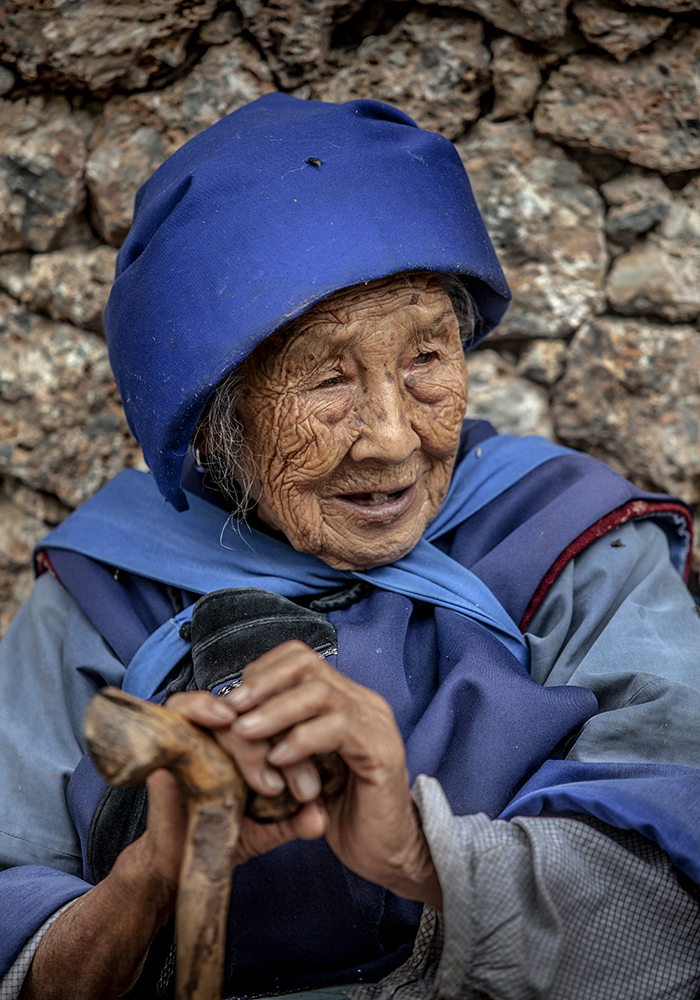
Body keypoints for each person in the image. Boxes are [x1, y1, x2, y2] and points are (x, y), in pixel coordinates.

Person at [1, 93, 700, 1000]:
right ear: (212, 427)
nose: (393, 439)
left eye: (425, 360)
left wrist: (420, 855)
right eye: (327, 379)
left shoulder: (571, 538)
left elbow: (677, 903)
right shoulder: (102, 594)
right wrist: (147, 880)